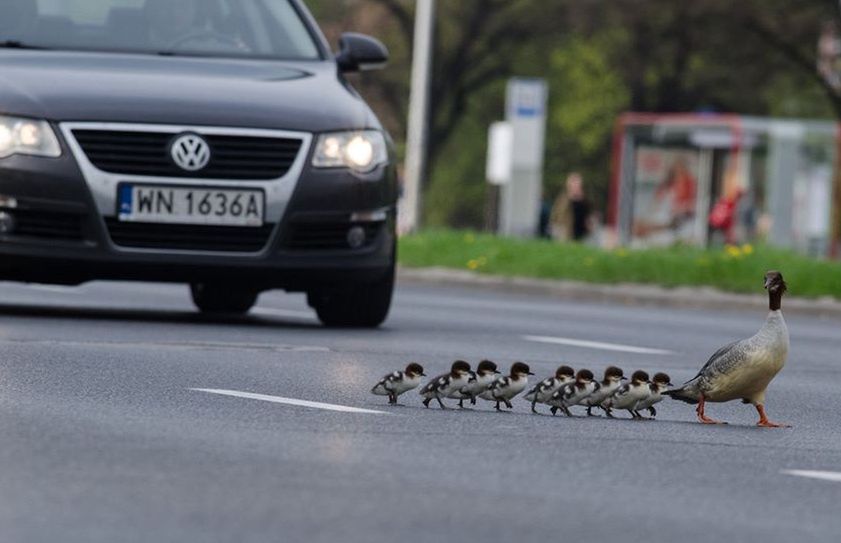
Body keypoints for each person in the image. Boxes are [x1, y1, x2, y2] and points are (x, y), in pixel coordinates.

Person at [549, 172, 592, 242]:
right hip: (567, 233)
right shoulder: (563, 200)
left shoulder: (585, 200)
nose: (576, 186)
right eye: (574, 183)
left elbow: (588, 216)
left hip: (582, 234)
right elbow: (555, 216)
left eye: (578, 184)